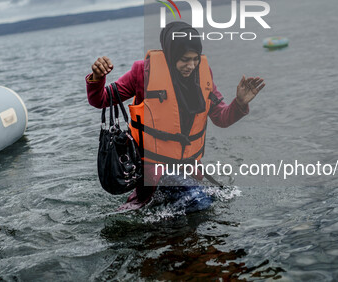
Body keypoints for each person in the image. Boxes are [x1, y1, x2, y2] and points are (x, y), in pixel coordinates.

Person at [86, 21, 265, 209]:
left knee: (208, 203)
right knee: (200, 203)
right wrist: (97, 79)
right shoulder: (143, 72)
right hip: (153, 170)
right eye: (185, 59)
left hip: (188, 169)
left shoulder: (203, 75)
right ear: (171, 54)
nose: (191, 65)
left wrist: (240, 103)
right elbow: (102, 100)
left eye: (195, 59)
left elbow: (221, 117)